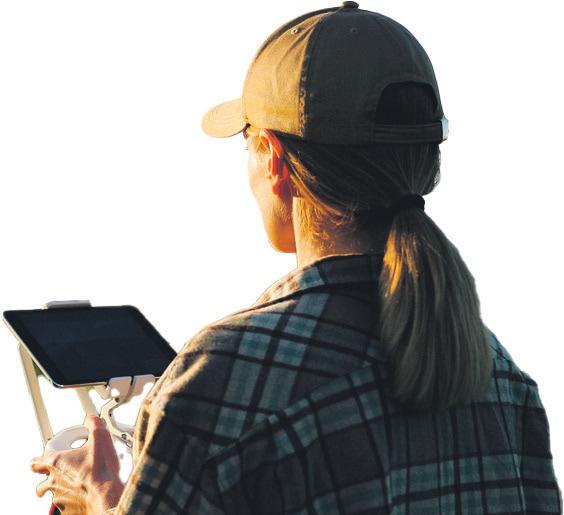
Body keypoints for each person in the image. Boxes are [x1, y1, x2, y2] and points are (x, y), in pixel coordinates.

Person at [30, 2, 562, 513]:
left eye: (247, 144)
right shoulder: (501, 378)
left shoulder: (222, 379)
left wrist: (99, 497)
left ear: (275, 159)